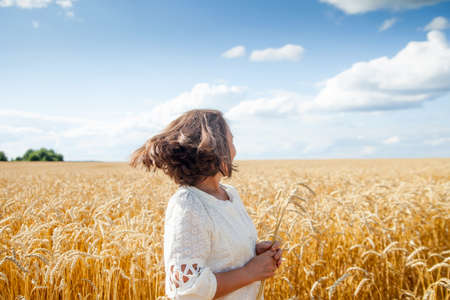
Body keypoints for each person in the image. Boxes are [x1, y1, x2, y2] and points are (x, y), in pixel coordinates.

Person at [129, 109, 283, 299]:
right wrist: (249, 273)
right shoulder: (188, 204)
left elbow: (219, 252)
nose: (235, 150)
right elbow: (186, 290)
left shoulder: (229, 194)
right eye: (231, 141)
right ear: (215, 147)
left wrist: (252, 252)